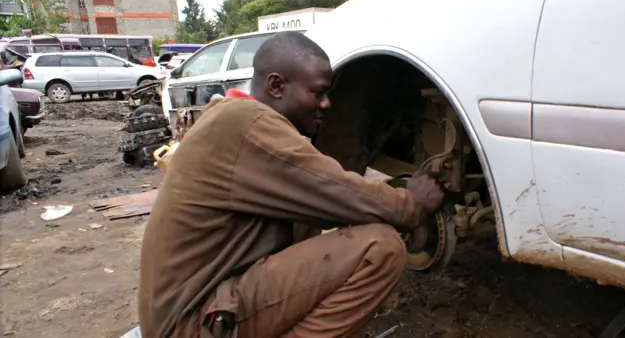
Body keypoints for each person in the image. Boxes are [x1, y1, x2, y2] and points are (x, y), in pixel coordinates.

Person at [138, 31, 445, 338]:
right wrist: (411, 202)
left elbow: (321, 201)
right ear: (276, 86)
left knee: (303, 220)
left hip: (198, 310)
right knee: (380, 249)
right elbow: (338, 192)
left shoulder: (231, 118)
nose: (327, 104)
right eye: (318, 93)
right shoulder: (248, 124)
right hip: (190, 324)